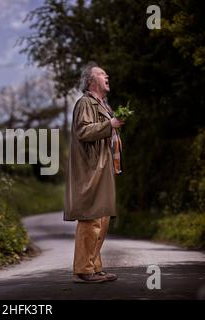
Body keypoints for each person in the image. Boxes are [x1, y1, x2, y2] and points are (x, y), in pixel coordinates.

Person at [64, 62, 124, 283]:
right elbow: (82, 130)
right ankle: (84, 269)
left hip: (103, 167)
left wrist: (111, 123)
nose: (107, 75)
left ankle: (95, 267)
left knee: (102, 219)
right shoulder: (85, 103)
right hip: (91, 169)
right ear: (91, 81)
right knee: (91, 219)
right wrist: (111, 124)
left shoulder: (102, 104)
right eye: (101, 73)